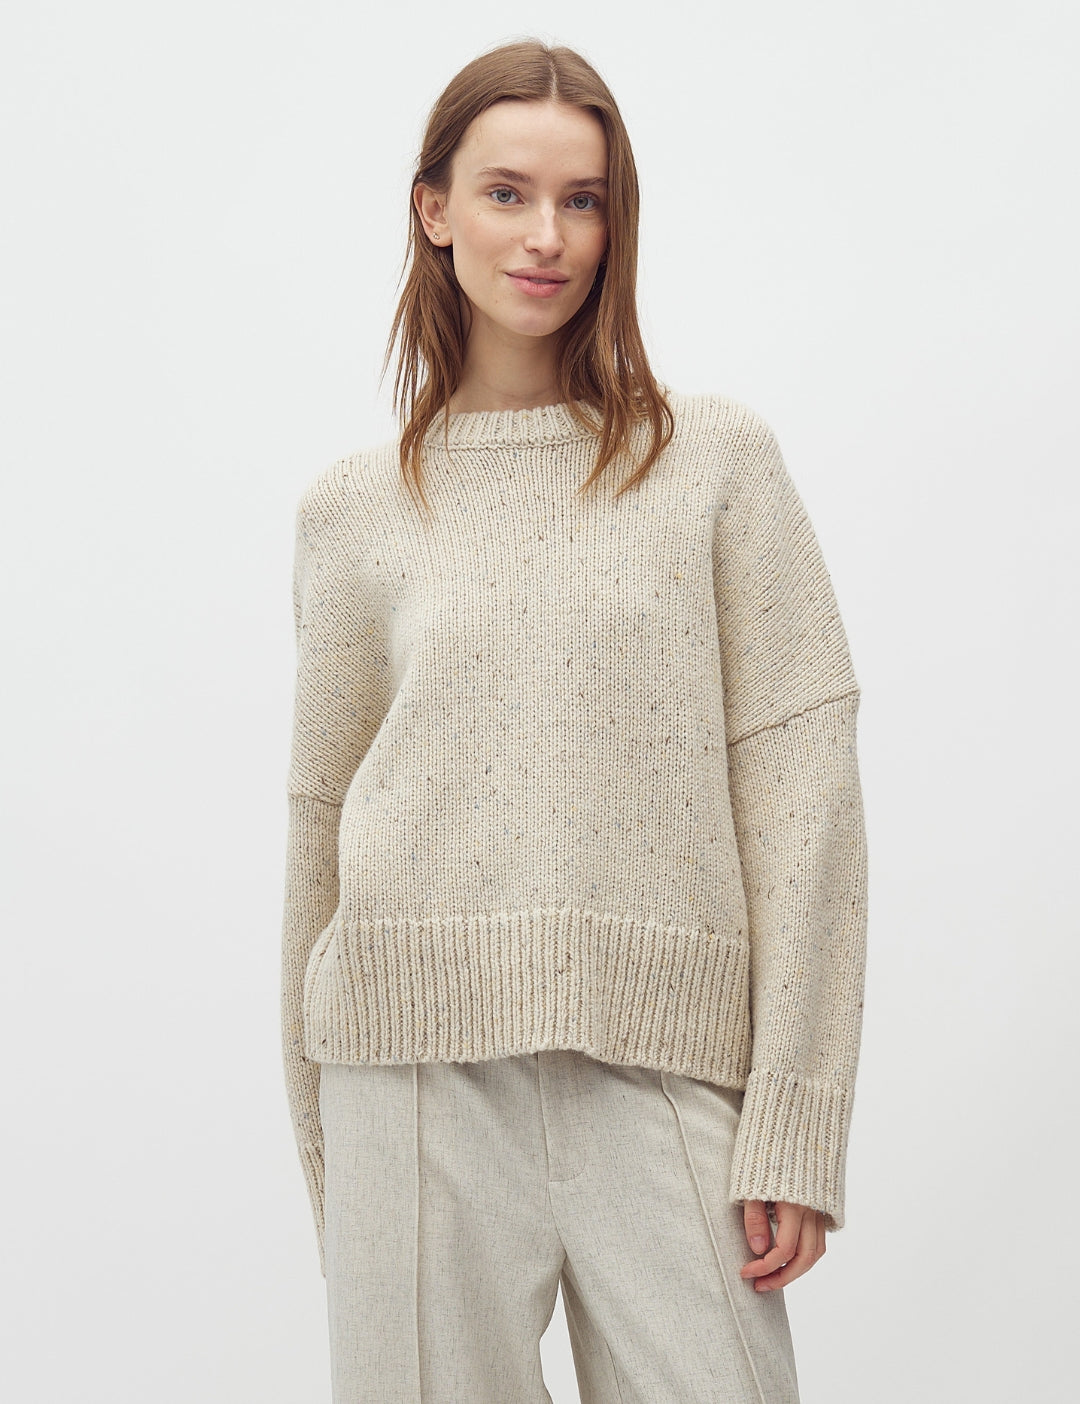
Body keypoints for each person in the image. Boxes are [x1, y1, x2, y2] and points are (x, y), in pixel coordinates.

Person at [280, 36, 868, 1404]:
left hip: (660, 1073)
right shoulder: (352, 513)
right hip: (407, 1083)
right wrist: (330, 1157)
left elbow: (806, 790)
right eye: (508, 193)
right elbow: (316, 841)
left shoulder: (715, 463)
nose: (548, 235)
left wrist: (793, 1117)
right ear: (434, 209)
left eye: (583, 199)